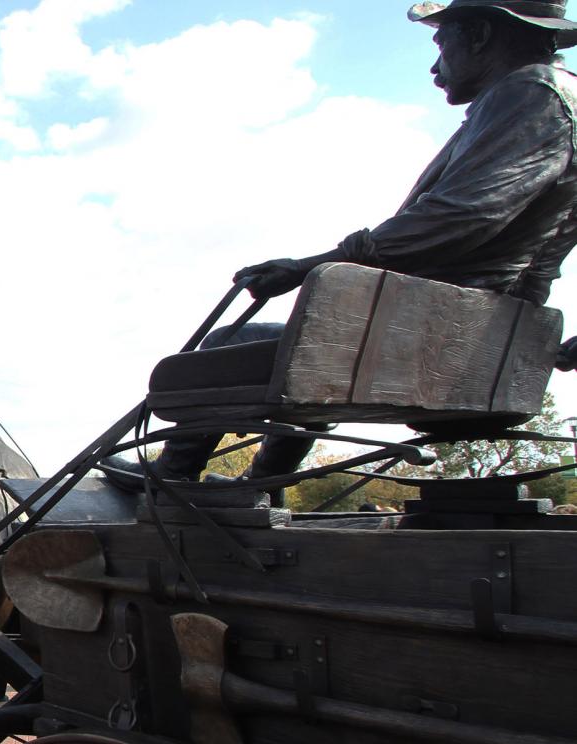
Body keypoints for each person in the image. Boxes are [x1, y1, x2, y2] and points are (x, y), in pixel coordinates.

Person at [108, 0, 577, 486]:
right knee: (313, 341)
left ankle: (173, 477)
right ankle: (263, 483)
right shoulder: (558, 100)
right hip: (485, 336)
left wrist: (311, 266)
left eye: (443, 44)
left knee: (231, 344)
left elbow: (464, 215)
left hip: (445, 337)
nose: (436, 69)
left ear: (478, 35)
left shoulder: (530, 94)